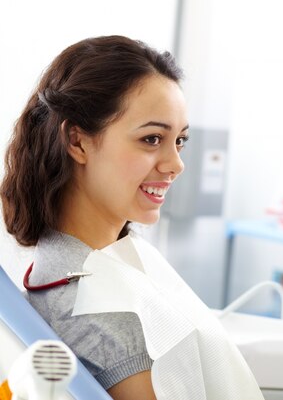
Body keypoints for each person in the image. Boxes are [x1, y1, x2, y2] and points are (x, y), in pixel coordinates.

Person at [1, 36, 186, 399]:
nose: (176, 164)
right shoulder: (107, 317)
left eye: (180, 140)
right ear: (78, 142)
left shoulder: (58, 272)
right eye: (151, 139)